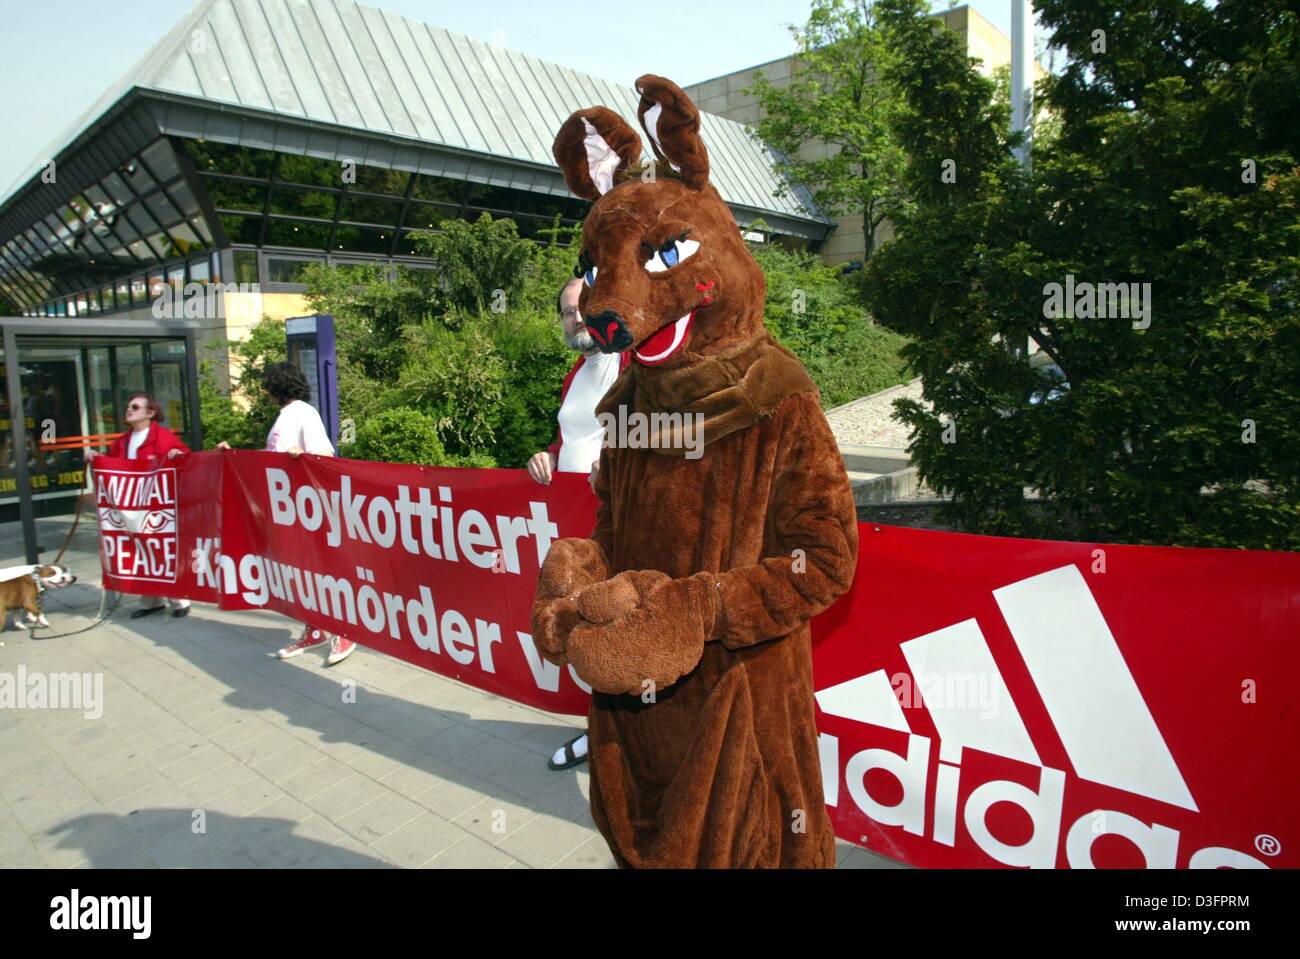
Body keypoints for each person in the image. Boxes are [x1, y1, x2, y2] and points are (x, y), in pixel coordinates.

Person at [529, 277, 629, 770]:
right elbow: (569, 438)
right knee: (586, 620)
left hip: (617, 522)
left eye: (583, 306)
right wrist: (545, 457)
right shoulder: (577, 372)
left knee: (614, 621)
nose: (577, 318)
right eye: (567, 312)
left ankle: (618, 734)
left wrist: (615, 463)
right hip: (573, 523)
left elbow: (659, 427)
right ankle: (603, 729)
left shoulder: (631, 359)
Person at [217, 362, 356, 667]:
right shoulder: (286, 416)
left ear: (278, 386)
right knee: (303, 570)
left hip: (308, 509)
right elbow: (270, 462)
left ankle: (343, 630)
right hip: (289, 509)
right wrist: (235, 454)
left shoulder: (303, 413)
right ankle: (315, 627)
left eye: (266, 385)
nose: (264, 391)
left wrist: (301, 458)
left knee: (323, 569)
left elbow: (324, 457)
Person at [86, 391, 191, 619]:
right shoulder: (122, 442)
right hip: (132, 506)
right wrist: (96, 458)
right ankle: (150, 599)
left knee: (159, 548)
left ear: (150, 413)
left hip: (155, 504)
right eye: (128, 407)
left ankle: (177, 599)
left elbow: (184, 457)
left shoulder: (163, 437)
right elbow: (113, 467)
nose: (129, 410)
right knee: (138, 549)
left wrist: (177, 454)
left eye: (135, 407)